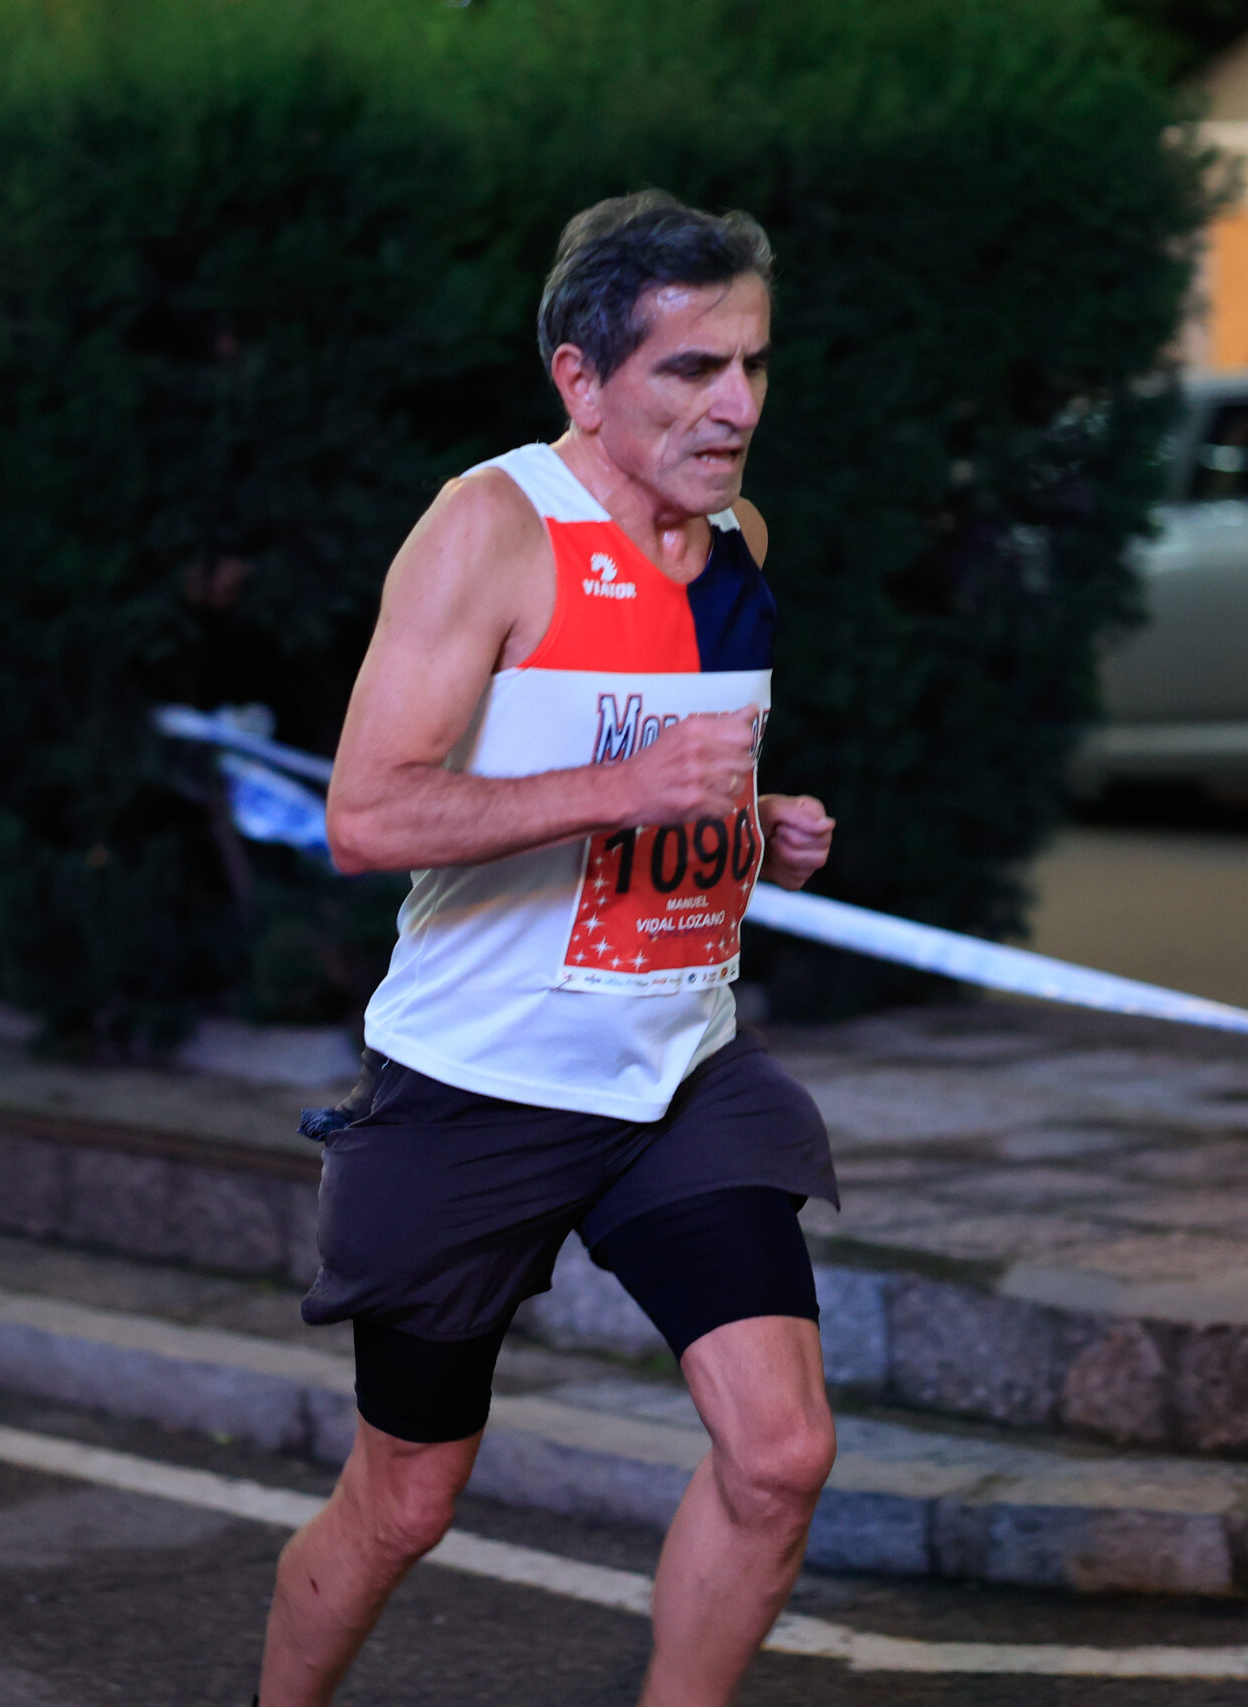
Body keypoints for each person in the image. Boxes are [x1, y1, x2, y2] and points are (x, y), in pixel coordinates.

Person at [255, 190, 842, 1707]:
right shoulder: (492, 530)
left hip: (676, 1072)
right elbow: (366, 814)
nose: (736, 407)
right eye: (690, 370)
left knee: (780, 1455)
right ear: (581, 378)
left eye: (752, 365)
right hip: (479, 1086)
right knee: (405, 1505)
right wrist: (627, 790)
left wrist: (756, 828)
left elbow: (671, 773)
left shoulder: (739, 541)